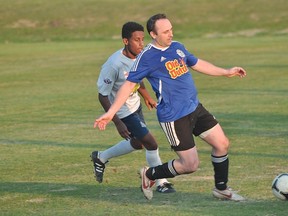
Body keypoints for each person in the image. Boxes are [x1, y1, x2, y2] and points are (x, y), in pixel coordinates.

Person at [94, 14, 247, 201]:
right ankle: (150, 175)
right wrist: (111, 113)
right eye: (165, 31)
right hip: (174, 117)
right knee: (190, 165)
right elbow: (127, 86)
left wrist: (225, 72)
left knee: (222, 144)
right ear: (153, 34)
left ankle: (221, 189)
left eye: (171, 30)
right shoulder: (147, 57)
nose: (170, 34)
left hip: (195, 108)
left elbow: (197, 64)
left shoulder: (177, 47)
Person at [91, 21, 176, 194]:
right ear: (125, 41)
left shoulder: (139, 56)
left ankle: (101, 157)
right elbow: (103, 95)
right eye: (136, 40)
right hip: (122, 111)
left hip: (134, 106)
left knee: (138, 143)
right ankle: (160, 181)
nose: (141, 44)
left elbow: (137, 77)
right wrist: (117, 122)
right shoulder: (114, 64)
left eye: (142, 39)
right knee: (151, 143)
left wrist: (147, 97)